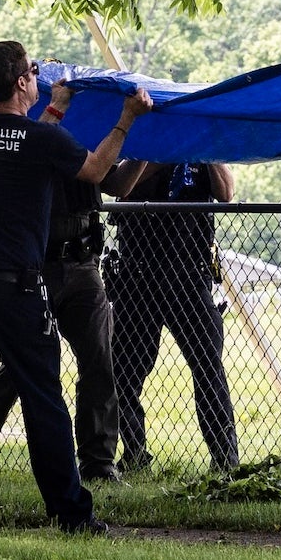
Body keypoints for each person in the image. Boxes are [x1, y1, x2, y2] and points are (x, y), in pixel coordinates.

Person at [0, 41, 151, 533]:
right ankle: (71, 513)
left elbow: (28, 140)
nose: (37, 76)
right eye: (32, 71)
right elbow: (97, 171)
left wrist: (55, 106)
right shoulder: (40, 140)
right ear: (20, 83)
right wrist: (127, 118)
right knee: (44, 400)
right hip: (15, 291)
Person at [0, 137, 149, 481]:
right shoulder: (32, 136)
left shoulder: (87, 135)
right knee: (16, 368)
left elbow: (117, 183)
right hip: (32, 268)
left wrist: (152, 145)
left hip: (83, 265)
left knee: (100, 361)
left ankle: (98, 463)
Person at [107, 160, 240, 475]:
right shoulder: (138, 140)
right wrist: (166, 150)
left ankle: (225, 461)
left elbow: (226, 193)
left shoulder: (201, 153)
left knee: (208, 368)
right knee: (123, 371)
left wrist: (204, 148)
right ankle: (135, 457)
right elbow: (119, 187)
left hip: (190, 274)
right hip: (137, 273)